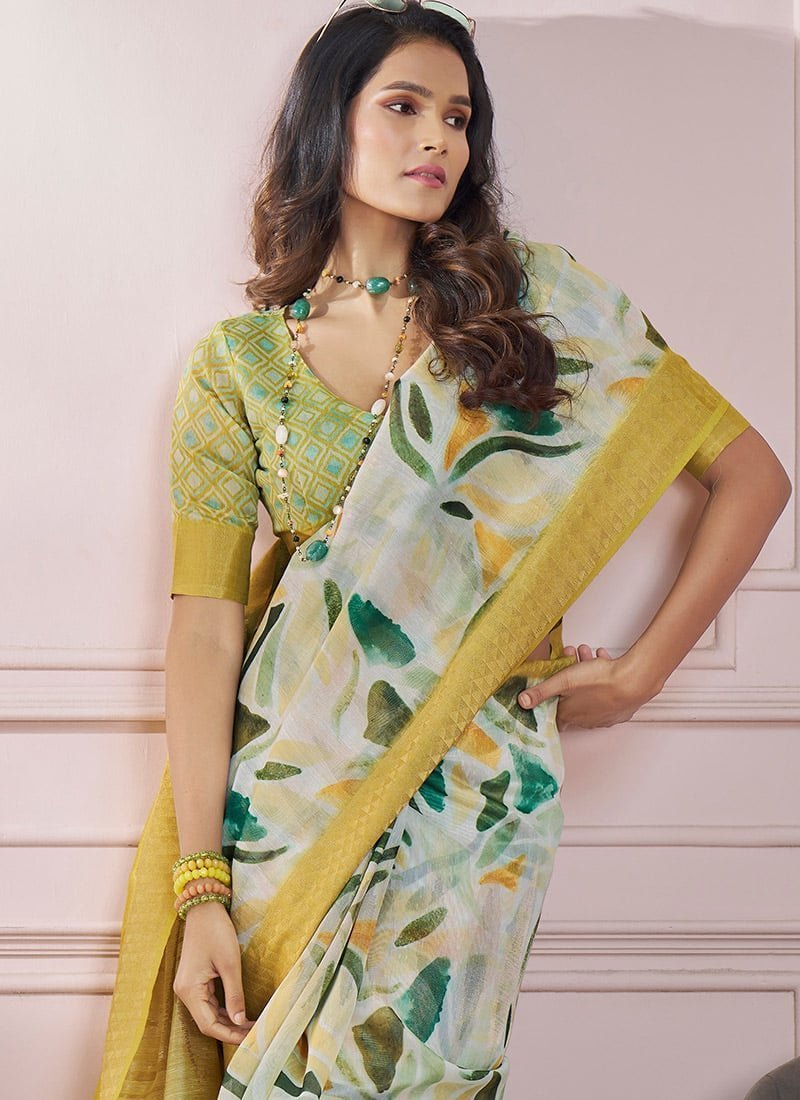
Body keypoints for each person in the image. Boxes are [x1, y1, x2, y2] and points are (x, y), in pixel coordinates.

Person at [93, 3, 792, 1098]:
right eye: (404, 106)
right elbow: (206, 627)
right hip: (287, 798)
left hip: (480, 801)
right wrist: (201, 886)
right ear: (329, 120)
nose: (437, 139)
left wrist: (642, 670)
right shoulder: (238, 365)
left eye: (458, 118)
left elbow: (753, 475)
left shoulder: (537, 312)